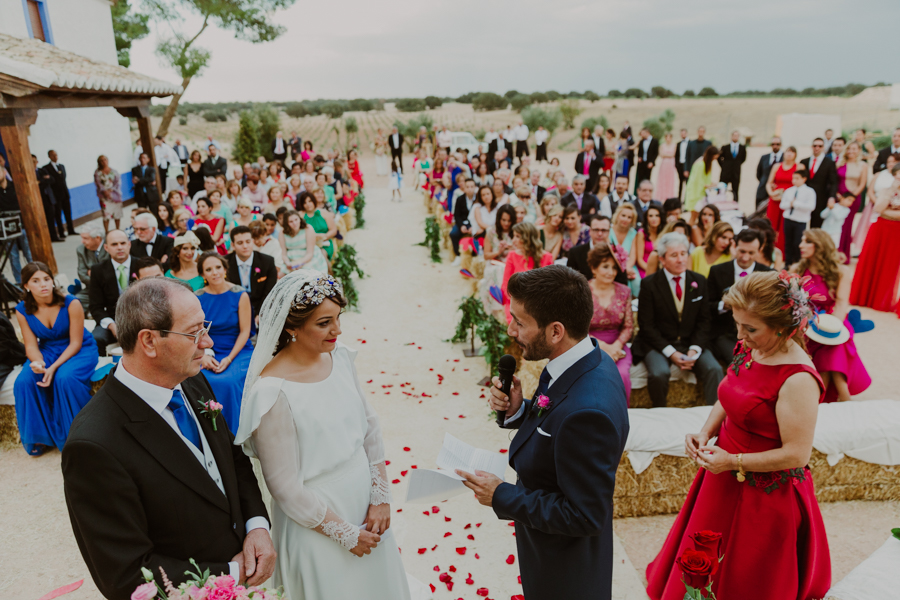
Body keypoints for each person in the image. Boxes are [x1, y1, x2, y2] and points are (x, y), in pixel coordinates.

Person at [63, 276, 274, 598]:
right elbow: (125, 573)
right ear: (149, 341)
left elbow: (231, 458)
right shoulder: (94, 445)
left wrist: (256, 524)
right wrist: (231, 574)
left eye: (205, 327)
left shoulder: (191, 380)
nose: (208, 343)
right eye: (194, 333)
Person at [646, 271, 831, 600]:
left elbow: (798, 455)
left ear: (782, 326)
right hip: (723, 470)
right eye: (737, 325)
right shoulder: (750, 348)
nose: (740, 336)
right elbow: (728, 395)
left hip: (764, 494)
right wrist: (705, 432)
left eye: (750, 328)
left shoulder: (798, 379)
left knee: (747, 575)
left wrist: (733, 461)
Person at [233, 271, 409, 598]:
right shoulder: (272, 392)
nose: (337, 330)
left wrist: (381, 496)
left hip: (365, 502)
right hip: (315, 521)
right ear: (291, 328)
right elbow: (284, 487)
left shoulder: (338, 356)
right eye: (324, 322)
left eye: (338, 318)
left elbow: (369, 426)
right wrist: (344, 534)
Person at [461, 264, 628, 600]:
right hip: (545, 546)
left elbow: (585, 515)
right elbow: (559, 429)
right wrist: (520, 411)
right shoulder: (583, 357)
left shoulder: (588, 411)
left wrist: (501, 495)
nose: (510, 330)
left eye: (520, 322)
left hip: (566, 569)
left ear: (555, 331)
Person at [14, 262, 98, 456]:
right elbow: (31, 345)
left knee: (64, 378)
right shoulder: (21, 310)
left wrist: (53, 368)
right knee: (23, 381)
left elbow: (76, 343)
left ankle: (79, 436)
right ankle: (39, 437)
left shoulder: (71, 303)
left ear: (53, 281)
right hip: (47, 350)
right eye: (36, 281)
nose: (43, 284)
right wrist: (39, 363)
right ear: (26, 286)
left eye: (47, 279)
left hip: (79, 349)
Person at [632, 232, 723, 407]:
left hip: (690, 342)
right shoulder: (649, 284)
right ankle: (661, 412)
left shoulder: (699, 281)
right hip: (658, 344)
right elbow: (646, 326)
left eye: (683, 253)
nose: (681, 259)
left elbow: (705, 321)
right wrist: (671, 353)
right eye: (674, 255)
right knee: (659, 374)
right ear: (662, 259)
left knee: (714, 369)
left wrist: (695, 349)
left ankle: (713, 418)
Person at [794, 230, 871, 403]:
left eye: (807, 242)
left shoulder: (840, 271)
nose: (801, 245)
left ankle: (823, 396)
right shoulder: (797, 270)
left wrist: (831, 326)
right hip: (805, 322)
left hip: (832, 320)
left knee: (834, 341)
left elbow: (842, 302)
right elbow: (794, 303)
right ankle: (843, 396)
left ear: (820, 245)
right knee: (831, 346)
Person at [195, 252, 254, 432]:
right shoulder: (197, 297)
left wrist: (228, 359)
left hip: (238, 350)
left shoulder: (240, 295)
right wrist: (203, 356)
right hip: (208, 349)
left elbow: (245, 332)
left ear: (225, 269)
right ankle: (209, 430)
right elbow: (195, 332)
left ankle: (233, 432)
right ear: (202, 275)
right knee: (201, 379)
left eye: (218, 267)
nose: (215, 272)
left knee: (228, 381)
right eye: (209, 269)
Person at [706, 228, 772, 362]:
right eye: (742, 251)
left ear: (759, 250)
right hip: (725, 334)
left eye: (751, 252)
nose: (745, 257)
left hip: (758, 336)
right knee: (741, 362)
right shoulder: (717, 271)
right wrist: (723, 305)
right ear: (734, 246)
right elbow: (706, 306)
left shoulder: (768, 274)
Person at [587, 243, 634, 401]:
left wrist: (616, 346)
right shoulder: (583, 291)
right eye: (605, 266)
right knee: (596, 374)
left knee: (622, 374)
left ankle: (621, 418)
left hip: (618, 347)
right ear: (594, 268)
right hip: (589, 345)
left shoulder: (624, 291)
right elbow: (576, 328)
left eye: (614, 268)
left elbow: (628, 327)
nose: (611, 272)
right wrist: (604, 347)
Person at [850, 163, 900, 312]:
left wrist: (887, 213)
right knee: (871, 259)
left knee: (890, 264)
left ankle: (881, 300)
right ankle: (864, 297)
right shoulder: (886, 190)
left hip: (896, 232)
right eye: (897, 177)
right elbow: (878, 208)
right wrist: (891, 191)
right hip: (879, 228)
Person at [89, 230, 139, 355]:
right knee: (96, 338)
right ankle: (104, 372)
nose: (120, 247)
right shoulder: (98, 270)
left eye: (123, 243)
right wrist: (112, 325)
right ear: (106, 247)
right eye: (114, 244)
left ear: (129, 244)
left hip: (140, 318)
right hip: (112, 319)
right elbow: (95, 306)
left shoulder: (141, 265)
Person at [502, 222, 554, 322]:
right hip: (516, 303)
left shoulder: (547, 257)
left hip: (538, 304)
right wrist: (518, 302)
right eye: (513, 236)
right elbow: (505, 285)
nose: (513, 240)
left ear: (528, 238)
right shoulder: (512, 256)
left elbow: (548, 288)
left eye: (517, 236)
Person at [226, 225, 279, 321]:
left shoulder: (267, 262)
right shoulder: (224, 263)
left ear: (253, 241)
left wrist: (260, 313)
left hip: (260, 307)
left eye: (248, 241)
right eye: (240, 243)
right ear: (233, 245)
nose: (245, 246)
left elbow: (270, 292)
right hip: (233, 309)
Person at [836, 141, 868, 263]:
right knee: (837, 225)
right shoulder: (840, 163)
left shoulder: (862, 165)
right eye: (849, 149)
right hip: (839, 198)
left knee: (847, 226)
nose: (851, 151)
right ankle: (834, 252)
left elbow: (862, 184)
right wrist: (839, 197)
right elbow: (835, 181)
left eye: (854, 149)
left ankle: (844, 254)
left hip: (852, 200)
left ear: (859, 150)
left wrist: (850, 198)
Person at [0, 167, 32, 284]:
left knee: (28, 253)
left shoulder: (15, 187)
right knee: (13, 257)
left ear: (4, 172)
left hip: (21, 226)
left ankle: (35, 276)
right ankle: (19, 283)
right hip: (6, 230)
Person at [765, 145, 799, 252]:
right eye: (787, 151)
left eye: (792, 152)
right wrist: (771, 194)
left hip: (789, 200)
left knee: (784, 227)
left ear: (795, 154)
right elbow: (769, 183)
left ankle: (782, 251)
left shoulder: (798, 167)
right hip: (775, 199)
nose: (789, 154)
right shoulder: (777, 166)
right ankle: (768, 248)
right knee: (771, 224)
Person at [780, 169, 817, 266]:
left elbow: (811, 207)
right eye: (793, 178)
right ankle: (788, 263)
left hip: (800, 220)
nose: (794, 180)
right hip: (788, 219)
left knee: (798, 243)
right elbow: (782, 205)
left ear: (804, 179)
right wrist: (790, 204)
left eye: (797, 178)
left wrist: (796, 204)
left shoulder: (810, 192)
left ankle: (798, 263)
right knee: (788, 242)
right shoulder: (789, 190)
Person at [801, 137, 838, 229]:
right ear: (811, 147)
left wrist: (832, 197)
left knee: (816, 225)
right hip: (804, 198)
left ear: (823, 147)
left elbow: (833, 182)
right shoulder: (804, 162)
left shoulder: (830, 163)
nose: (817, 148)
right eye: (815, 146)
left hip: (821, 198)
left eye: (820, 146)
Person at [280, 209, 328, 273]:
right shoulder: (282, 232)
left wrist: (299, 263)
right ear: (287, 223)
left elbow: (310, 253)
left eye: (296, 220)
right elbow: (283, 253)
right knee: (281, 274)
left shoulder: (308, 228)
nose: (294, 223)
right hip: (291, 260)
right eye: (291, 221)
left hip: (308, 258)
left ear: (300, 219)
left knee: (305, 273)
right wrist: (287, 263)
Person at [76, 223, 109, 317]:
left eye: (86, 238)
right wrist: (99, 277)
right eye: (82, 238)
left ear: (98, 238)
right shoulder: (81, 250)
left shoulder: (110, 245)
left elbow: (112, 273)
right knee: (73, 302)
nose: (82, 241)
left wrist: (93, 273)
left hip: (111, 289)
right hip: (91, 289)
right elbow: (82, 275)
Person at [609, 203, 640, 294]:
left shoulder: (633, 233)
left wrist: (627, 269)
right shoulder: (609, 231)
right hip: (612, 265)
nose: (625, 219)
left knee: (636, 282)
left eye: (629, 217)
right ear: (617, 215)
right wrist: (622, 271)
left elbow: (633, 256)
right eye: (623, 215)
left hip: (628, 266)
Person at [44, 150, 76, 236]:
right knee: (58, 214)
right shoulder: (46, 168)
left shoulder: (61, 166)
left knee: (68, 212)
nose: (55, 157)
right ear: (49, 156)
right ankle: (61, 232)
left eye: (56, 155)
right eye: (53, 155)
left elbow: (63, 179)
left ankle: (71, 229)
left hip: (65, 193)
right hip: (56, 195)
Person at [685, 146, 720, 223]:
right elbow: (698, 182)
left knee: (697, 218)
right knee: (693, 217)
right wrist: (711, 186)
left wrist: (712, 184)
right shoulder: (701, 164)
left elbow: (705, 179)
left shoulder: (705, 163)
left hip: (700, 194)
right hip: (695, 195)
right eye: (714, 158)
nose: (714, 160)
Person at [299, 192, 338, 261]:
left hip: (324, 243)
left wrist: (324, 236)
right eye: (305, 203)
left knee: (322, 254)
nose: (308, 204)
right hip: (307, 244)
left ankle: (328, 271)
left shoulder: (324, 213)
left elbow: (333, 230)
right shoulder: (300, 216)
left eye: (310, 201)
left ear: (314, 201)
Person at [715, 130, 745, 203]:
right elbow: (719, 157)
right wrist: (724, 166)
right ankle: (719, 203)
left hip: (736, 173)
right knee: (722, 189)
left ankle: (735, 205)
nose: (735, 137)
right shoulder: (725, 147)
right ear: (731, 136)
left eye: (737, 136)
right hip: (725, 172)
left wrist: (736, 165)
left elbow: (743, 159)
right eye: (734, 135)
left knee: (735, 190)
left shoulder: (742, 148)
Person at [94, 155, 122, 231]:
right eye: (101, 160)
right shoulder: (97, 173)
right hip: (104, 197)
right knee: (106, 214)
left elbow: (117, 182)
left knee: (117, 214)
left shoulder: (114, 171)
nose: (104, 162)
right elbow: (98, 184)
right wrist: (105, 191)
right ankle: (107, 231)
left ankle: (117, 229)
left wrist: (111, 190)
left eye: (105, 159)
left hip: (115, 195)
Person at [755, 137, 784, 209]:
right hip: (763, 189)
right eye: (773, 144)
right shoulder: (764, 157)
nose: (775, 146)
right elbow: (759, 173)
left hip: (778, 191)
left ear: (781, 145)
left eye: (777, 144)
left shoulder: (785, 158)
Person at [636, 205, 663, 277]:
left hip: (660, 269)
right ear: (646, 218)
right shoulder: (641, 233)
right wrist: (650, 270)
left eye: (657, 215)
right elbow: (639, 260)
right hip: (644, 268)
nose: (654, 218)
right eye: (650, 216)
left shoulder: (663, 233)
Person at [655, 132, 678, 200]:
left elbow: (674, 154)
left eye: (669, 137)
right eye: (667, 137)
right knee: (663, 179)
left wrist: (666, 155)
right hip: (664, 164)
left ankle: (669, 196)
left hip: (671, 164)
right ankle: (662, 196)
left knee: (670, 180)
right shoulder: (662, 145)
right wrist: (669, 155)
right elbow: (661, 155)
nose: (668, 139)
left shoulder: (674, 145)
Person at [634, 128, 659, 193]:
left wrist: (652, 162)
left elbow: (656, 153)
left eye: (642, 133)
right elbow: (639, 152)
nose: (641, 134)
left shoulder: (655, 141)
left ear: (647, 132)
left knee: (648, 178)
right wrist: (639, 157)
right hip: (641, 163)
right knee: (640, 179)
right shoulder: (641, 141)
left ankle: (647, 192)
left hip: (649, 163)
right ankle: (639, 193)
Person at [673, 129, 690, 199]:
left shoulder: (690, 143)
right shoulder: (678, 144)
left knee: (687, 183)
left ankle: (686, 199)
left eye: (684, 133)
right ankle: (679, 198)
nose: (682, 135)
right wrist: (676, 165)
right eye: (681, 134)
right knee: (680, 183)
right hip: (680, 165)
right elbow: (676, 155)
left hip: (687, 166)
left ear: (686, 134)